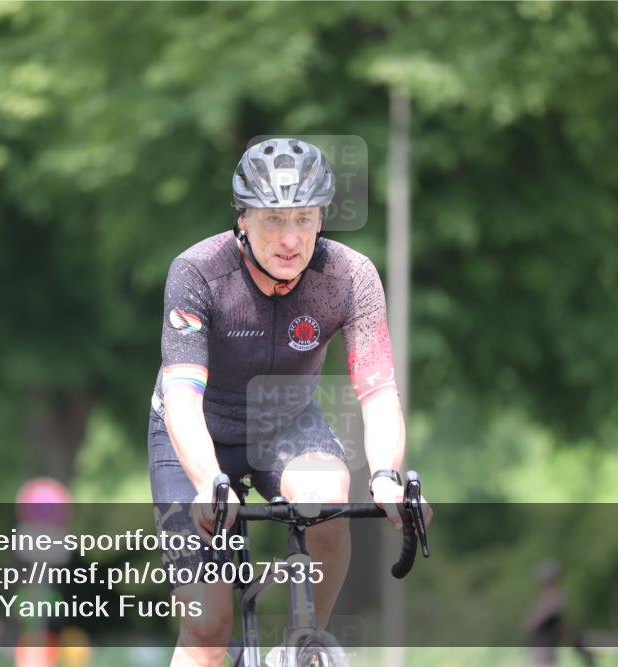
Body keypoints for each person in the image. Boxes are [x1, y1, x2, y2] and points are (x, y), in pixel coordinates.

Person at [147, 137, 431, 667]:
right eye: (274, 219)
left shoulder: (350, 276)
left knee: (327, 502)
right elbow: (183, 398)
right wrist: (209, 482)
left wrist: (386, 476)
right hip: (197, 431)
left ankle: (299, 647)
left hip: (286, 421)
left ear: (322, 219)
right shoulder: (198, 271)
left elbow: (378, 391)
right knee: (208, 627)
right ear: (243, 219)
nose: (290, 238)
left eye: (304, 218)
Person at [522, 559, 566, 667]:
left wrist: (533, 620)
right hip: (541, 645)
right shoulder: (546, 596)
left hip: (546, 645)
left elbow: (537, 620)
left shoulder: (555, 596)